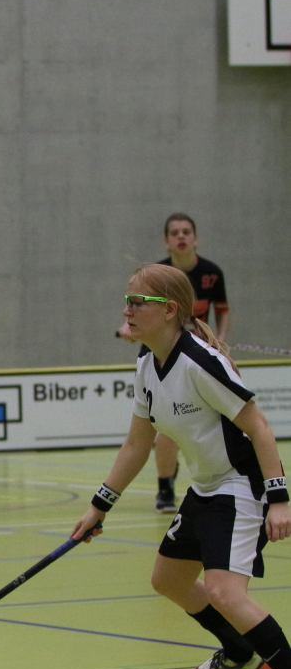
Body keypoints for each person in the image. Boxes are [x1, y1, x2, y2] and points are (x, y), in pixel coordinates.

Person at [72, 263, 291, 669]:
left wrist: (278, 499)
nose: (127, 310)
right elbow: (138, 443)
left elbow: (259, 426)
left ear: (170, 310)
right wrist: (99, 506)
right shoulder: (147, 364)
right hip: (207, 486)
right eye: (127, 300)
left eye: (138, 302)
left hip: (241, 484)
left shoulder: (199, 362)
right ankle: (241, 652)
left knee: (225, 592)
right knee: (168, 579)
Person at [127, 214, 233, 514]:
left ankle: (226, 481)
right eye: (175, 233)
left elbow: (223, 310)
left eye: (186, 232)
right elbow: (138, 312)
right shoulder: (157, 276)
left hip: (199, 358)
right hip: (165, 357)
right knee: (167, 427)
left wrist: (221, 341)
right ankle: (165, 487)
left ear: (196, 239)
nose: (181, 237)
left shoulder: (212, 273)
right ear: (166, 241)